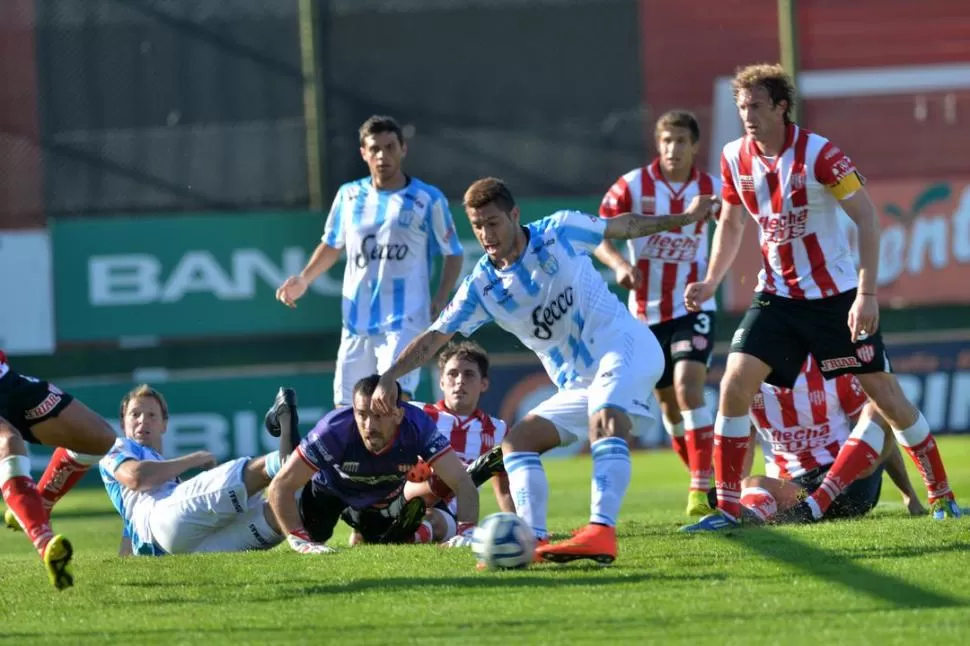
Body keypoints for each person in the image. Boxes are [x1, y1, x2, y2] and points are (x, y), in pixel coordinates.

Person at [369, 177, 718, 565]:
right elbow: (435, 336)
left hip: (625, 345)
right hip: (578, 384)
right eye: (478, 226)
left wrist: (685, 217)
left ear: (514, 215)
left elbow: (625, 225)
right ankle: (531, 540)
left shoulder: (560, 230)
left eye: (493, 222)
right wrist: (389, 376)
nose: (486, 234)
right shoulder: (482, 287)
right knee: (517, 444)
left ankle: (601, 532)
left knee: (605, 417)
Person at [682, 63, 959, 532]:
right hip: (776, 297)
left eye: (756, 106)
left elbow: (868, 221)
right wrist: (711, 282)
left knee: (885, 395)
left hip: (835, 298)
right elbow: (731, 222)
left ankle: (942, 497)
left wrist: (866, 295)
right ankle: (727, 509)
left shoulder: (820, 154)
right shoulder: (734, 156)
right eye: (741, 106)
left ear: (781, 106)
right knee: (733, 384)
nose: (747, 115)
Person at [275, 115, 465, 407]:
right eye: (374, 148)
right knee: (347, 409)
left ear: (403, 149)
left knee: (391, 400)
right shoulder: (349, 195)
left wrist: (441, 297)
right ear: (363, 153)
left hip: (406, 319)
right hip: (356, 321)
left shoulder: (428, 198)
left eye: (390, 147)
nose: (382, 155)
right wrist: (304, 279)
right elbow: (331, 243)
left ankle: (402, 454)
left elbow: (453, 251)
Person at [595, 110, 721, 517]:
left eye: (681, 141)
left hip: (693, 307)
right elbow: (599, 231)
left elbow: (735, 227)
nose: (673, 149)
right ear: (658, 144)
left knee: (688, 388)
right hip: (645, 317)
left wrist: (715, 276)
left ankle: (700, 492)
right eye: (667, 141)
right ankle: (705, 482)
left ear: (695, 146)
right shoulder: (634, 185)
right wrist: (618, 265)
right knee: (669, 407)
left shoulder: (710, 188)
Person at [266, 375, 479, 554]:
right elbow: (280, 485)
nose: (369, 425)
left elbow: (461, 481)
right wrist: (299, 540)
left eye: (378, 415)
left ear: (398, 414)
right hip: (330, 491)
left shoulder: (418, 427)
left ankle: (361, 528)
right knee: (314, 533)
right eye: (362, 414)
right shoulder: (334, 430)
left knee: (386, 542)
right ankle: (286, 416)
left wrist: (467, 532)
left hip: (379, 499)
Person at [98, 385, 298, 556]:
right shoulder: (117, 448)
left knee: (280, 512)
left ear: (164, 424)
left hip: (179, 548)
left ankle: (307, 496)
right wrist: (195, 459)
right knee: (264, 470)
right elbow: (136, 477)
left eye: (151, 415)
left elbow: (129, 535)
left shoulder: (162, 472)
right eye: (135, 414)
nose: (143, 420)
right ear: (123, 423)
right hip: (162, 524)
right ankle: (286, 420)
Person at [740, 355, 926, 524]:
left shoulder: (831, 370)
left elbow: (878, 432)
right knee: (751, 483)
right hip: (798, 493)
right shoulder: (744, 385)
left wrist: (910, 497)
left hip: (848, 481)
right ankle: (751, 517)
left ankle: (773, 512)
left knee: (878, 410)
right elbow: (741, 447)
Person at [0, 350, 117, 589]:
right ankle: (44, 543)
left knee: (100, 438)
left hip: (6, 381)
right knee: (9, 441)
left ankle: (35, 504)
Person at [399, 340, 513, 545]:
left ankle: (403, 536)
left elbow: (504, 489)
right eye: (452, 374)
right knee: (450, 474)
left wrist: (518, 527)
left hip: (449, 514)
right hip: (407, 495)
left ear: (484, 384)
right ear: (441, 382)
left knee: (433, 521)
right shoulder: (417, 414)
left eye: (469, 374)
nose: (460, 381)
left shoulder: (498, 430)